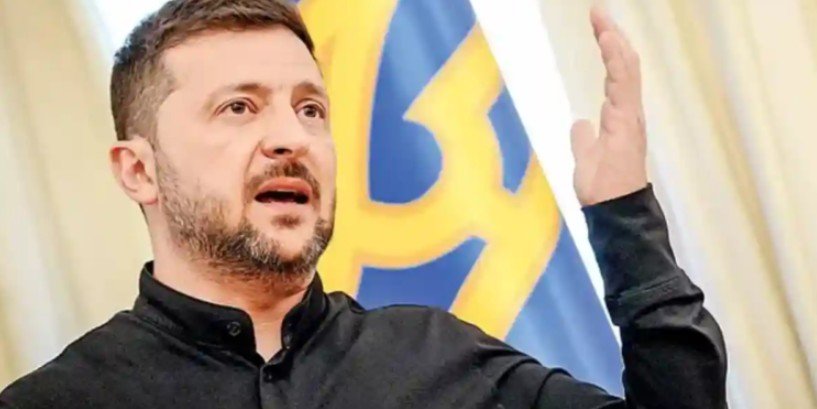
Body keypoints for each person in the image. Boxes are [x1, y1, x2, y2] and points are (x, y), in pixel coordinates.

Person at [0, 0, 727, 408]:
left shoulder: (440, 357)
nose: (291, 137)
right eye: (238, 108)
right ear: (138, 170)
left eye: (310, 109)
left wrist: (623, 217)